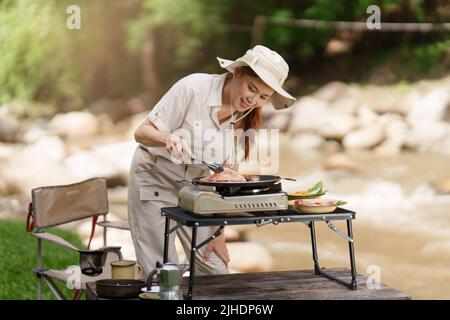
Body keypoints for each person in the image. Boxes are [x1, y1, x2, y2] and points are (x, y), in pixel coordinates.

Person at [128, 45, 296, 276]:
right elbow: (141, 132)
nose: (253, 100)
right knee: (163, 272)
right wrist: (168, 138)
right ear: (237, 72)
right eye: (252, 88)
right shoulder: (193, 88)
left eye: (263, 97)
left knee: (214, 269)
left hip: (198, 191)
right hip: (155, 179)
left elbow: (224, 182)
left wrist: (218, 233)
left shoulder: (247, 119)